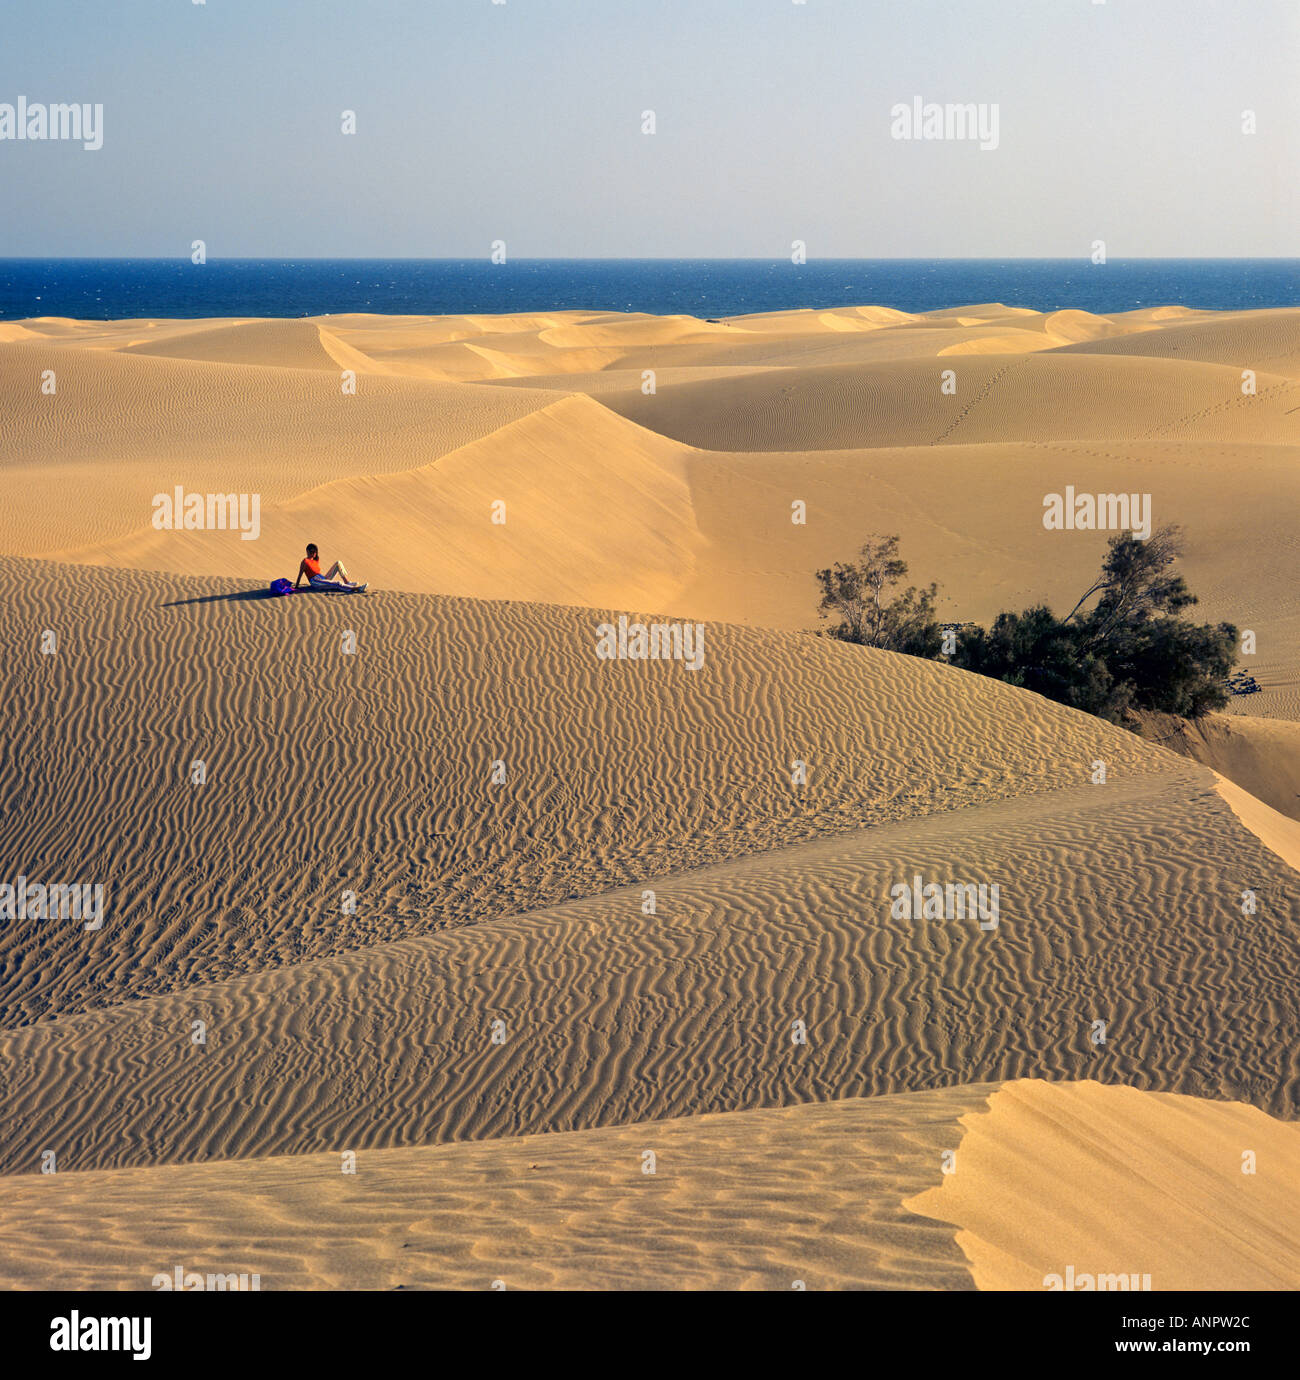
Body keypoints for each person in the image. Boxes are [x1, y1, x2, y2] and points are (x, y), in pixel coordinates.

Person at [295, 543, 366, 593]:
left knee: (338, 563)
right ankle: (357, 589)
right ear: (307, 551)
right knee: (337, 584)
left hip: (322, 578)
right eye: (312, 552)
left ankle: (347, 582)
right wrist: (296, 587)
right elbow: (300, 575)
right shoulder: (305, 561)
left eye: (315, 552)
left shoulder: (316, 559)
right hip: (315, 582)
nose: (314, 553)